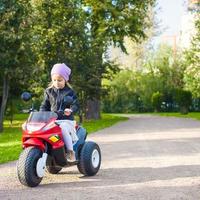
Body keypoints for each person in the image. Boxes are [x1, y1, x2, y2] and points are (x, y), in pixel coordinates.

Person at [40, 63, 79, 162]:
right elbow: (44, 106)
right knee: (41, 130)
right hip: (52, 120)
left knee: (63, 128)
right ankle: (42, 150)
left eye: (60, 80)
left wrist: (71, 110)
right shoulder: (49, 92)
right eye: (54, 80)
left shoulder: (70, 92)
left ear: (66, 79)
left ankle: (70, 152)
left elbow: (75, 105)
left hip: (66, 120)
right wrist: (41, 114)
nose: (57, 82)